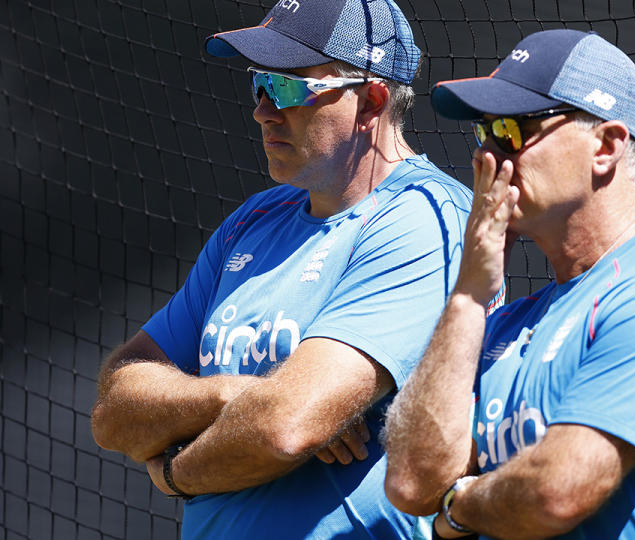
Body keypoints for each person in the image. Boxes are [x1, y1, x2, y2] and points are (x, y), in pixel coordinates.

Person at [90, 0, 475, 538]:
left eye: (290, 88)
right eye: (260, 85)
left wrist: (175, 472)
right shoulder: (252, 220)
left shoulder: (426, 218)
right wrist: (232, 394)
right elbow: (113, 411)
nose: (264, 110)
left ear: (372, 101)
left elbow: (286, 427)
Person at [383, 29, 635, 539]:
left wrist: (460, 504)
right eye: (483, 133)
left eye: (512, 130)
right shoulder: (502, 324)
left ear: (605, 147)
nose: (489, 157)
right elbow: (409, 482)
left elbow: (555, 492)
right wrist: (470, 292)